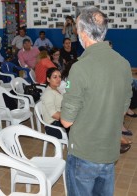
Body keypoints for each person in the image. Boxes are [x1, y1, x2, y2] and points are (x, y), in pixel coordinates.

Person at [60, 6, 132, 195]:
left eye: (76, 28)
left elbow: (66, 120)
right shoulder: (123, 64)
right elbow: (124, 107)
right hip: (109, 150)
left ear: (83, 32)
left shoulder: (80, 68)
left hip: (84, 152)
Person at [41, 68, 69, 139]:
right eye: (55, 77)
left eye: (59, 76)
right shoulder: (48, 93)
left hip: (60, 120)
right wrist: (71, 116)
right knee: (80, 128)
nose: (58, 79)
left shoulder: (57, 89)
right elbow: (54, 115)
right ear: (48, 79)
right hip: (53, 126)